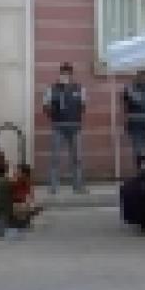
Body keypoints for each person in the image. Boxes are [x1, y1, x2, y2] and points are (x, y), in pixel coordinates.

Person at [43, 62, 87, 194]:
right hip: (58, 127)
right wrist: (51, 109)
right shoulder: (52, 89)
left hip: (75, 127)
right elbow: (45, 107)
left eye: (68, 73)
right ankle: (53, 187)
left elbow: (83, 107)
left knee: (77, 158)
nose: (65, 75)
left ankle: (78, 186)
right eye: (63, 73)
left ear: (71, 75)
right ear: (60, 74)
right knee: (55, 158)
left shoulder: (79, 89)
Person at [121, 70, 145, 171]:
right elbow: (129, 102)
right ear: (139, 75)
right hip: (136, 124)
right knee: (139, 150)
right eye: (144, 74)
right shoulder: (130, 88)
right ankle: (141, 173)